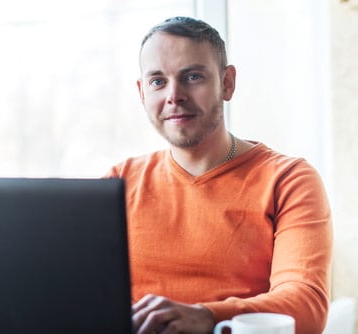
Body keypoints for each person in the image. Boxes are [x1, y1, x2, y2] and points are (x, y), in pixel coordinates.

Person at [105, 16, 332, 334]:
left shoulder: (289, 180)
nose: (174, 95)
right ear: (142, 92)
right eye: (158, 81)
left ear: (227, 83)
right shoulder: (118, 182)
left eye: (193, 76)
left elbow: (305, 307)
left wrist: (207, 316)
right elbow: (77, 293)